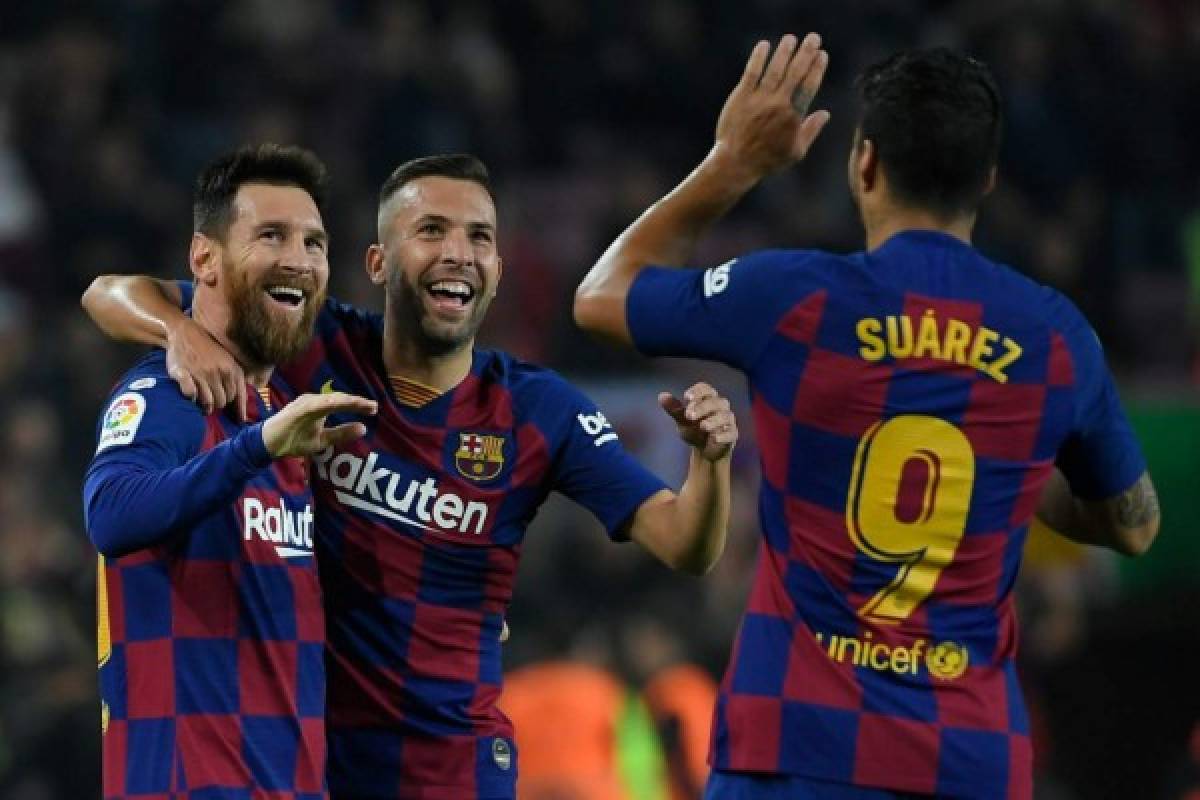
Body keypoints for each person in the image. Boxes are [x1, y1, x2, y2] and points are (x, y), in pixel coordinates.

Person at [573, 33, 1160, 799]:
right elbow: (1134, 525)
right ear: (987, 179)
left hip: (795, 747)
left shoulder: (794, 299)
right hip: (968, 758)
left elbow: (601, 295)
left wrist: (736, 162)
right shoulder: (1055, 338)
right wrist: (1004, 472)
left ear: (865, 163)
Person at [83, 153, 740, 799]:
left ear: (499, 270)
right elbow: (109, 292)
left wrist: (710, 465)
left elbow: (685, 543)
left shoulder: (540, 410)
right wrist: (177, 331)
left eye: (478, 237)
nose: (458, 252)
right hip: (313, 756)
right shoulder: (312, 345)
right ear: (377, 262)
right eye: (431, 230)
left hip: (448, 764)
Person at [84, 144, 376, 798]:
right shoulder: (168, 391)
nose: (298, 258)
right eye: (271, 235)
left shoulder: (280, 416)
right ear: (204, 258)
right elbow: (111, 513)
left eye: (314, 242)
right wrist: (255, 445)